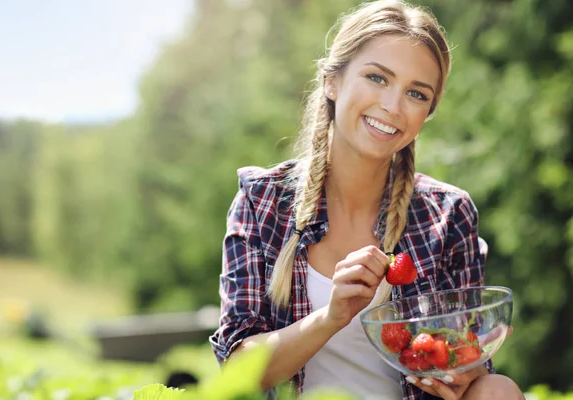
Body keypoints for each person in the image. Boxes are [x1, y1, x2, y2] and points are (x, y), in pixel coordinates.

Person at [210, 1, 524, 399]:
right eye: (377, 78)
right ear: (332, 81)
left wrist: (465, 367)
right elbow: (238, 368)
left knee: (497, 389)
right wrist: (331, 317)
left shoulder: (447, 214)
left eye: (415, 93)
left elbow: (466, 357)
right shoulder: (264, 200)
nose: (392, 107)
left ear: (427, 112)